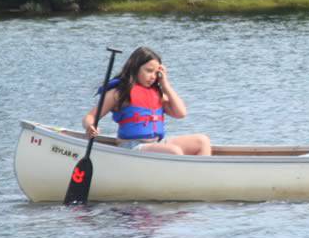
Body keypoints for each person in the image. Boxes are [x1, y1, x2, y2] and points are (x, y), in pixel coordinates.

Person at [82, 46, 212, 156]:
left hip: (156, 144)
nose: (153, 77)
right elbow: (90, 116)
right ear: (135, 68)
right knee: (174, 151)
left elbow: (181, 113)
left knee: (202, 141)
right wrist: (90, 126)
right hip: (132, 147)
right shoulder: (118, 93)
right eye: (149, 71)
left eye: (156, 73)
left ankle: (203, 178)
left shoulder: (157, 93)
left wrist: (165, 85)